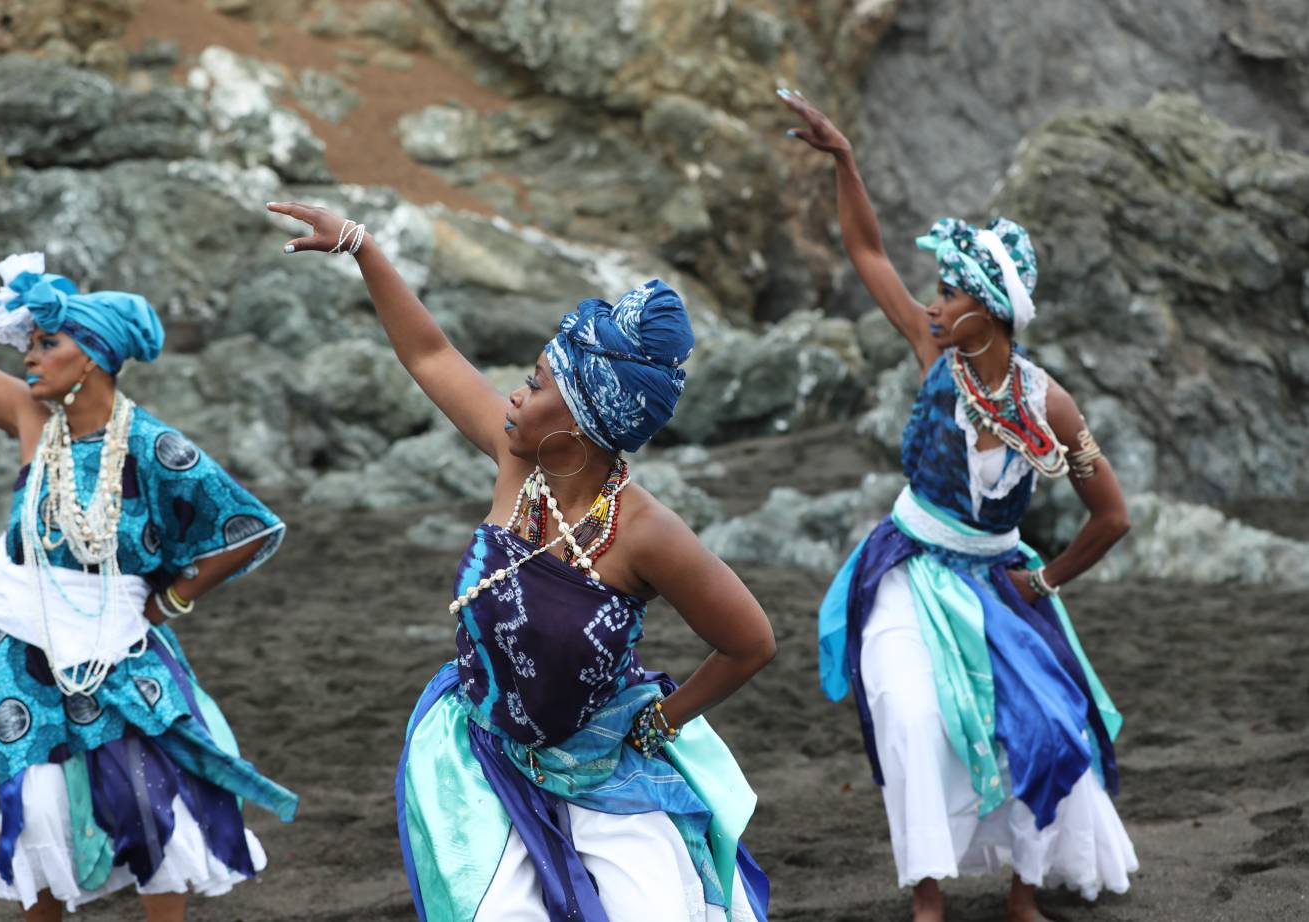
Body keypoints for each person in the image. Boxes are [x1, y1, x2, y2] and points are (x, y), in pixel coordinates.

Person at [269, 201, 776, 921]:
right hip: (480, 754)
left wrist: (663, 722)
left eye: (536, 383)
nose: (515, 392)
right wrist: (362, 247)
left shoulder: (647, 533)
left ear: (581, 420)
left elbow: (750, 642)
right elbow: (431, 355)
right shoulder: (518, 465)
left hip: (600, 766)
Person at [779, 89, 1138, 922]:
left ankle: (1022, 892)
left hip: (1000, 580)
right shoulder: (931, 353)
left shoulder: (1051, 406)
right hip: (906, 565)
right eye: (936, 294)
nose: (932, 304)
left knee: (1047, 726)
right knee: (911, 714)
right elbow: (866, 252)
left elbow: (1111, 515)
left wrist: (1045, 585)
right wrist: (846, 161)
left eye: (947, 294)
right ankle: (928, 897)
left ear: (988, 308)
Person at [0, 253, 298, 921]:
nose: (31, 358)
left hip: (114, 640)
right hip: (16, 645)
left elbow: (246, 528)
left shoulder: (154, 447)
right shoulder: (31, 422)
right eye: (32, 345)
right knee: (35, 802)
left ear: (93, 355)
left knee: (145, 795)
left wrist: (173, 598)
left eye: (48, 344)